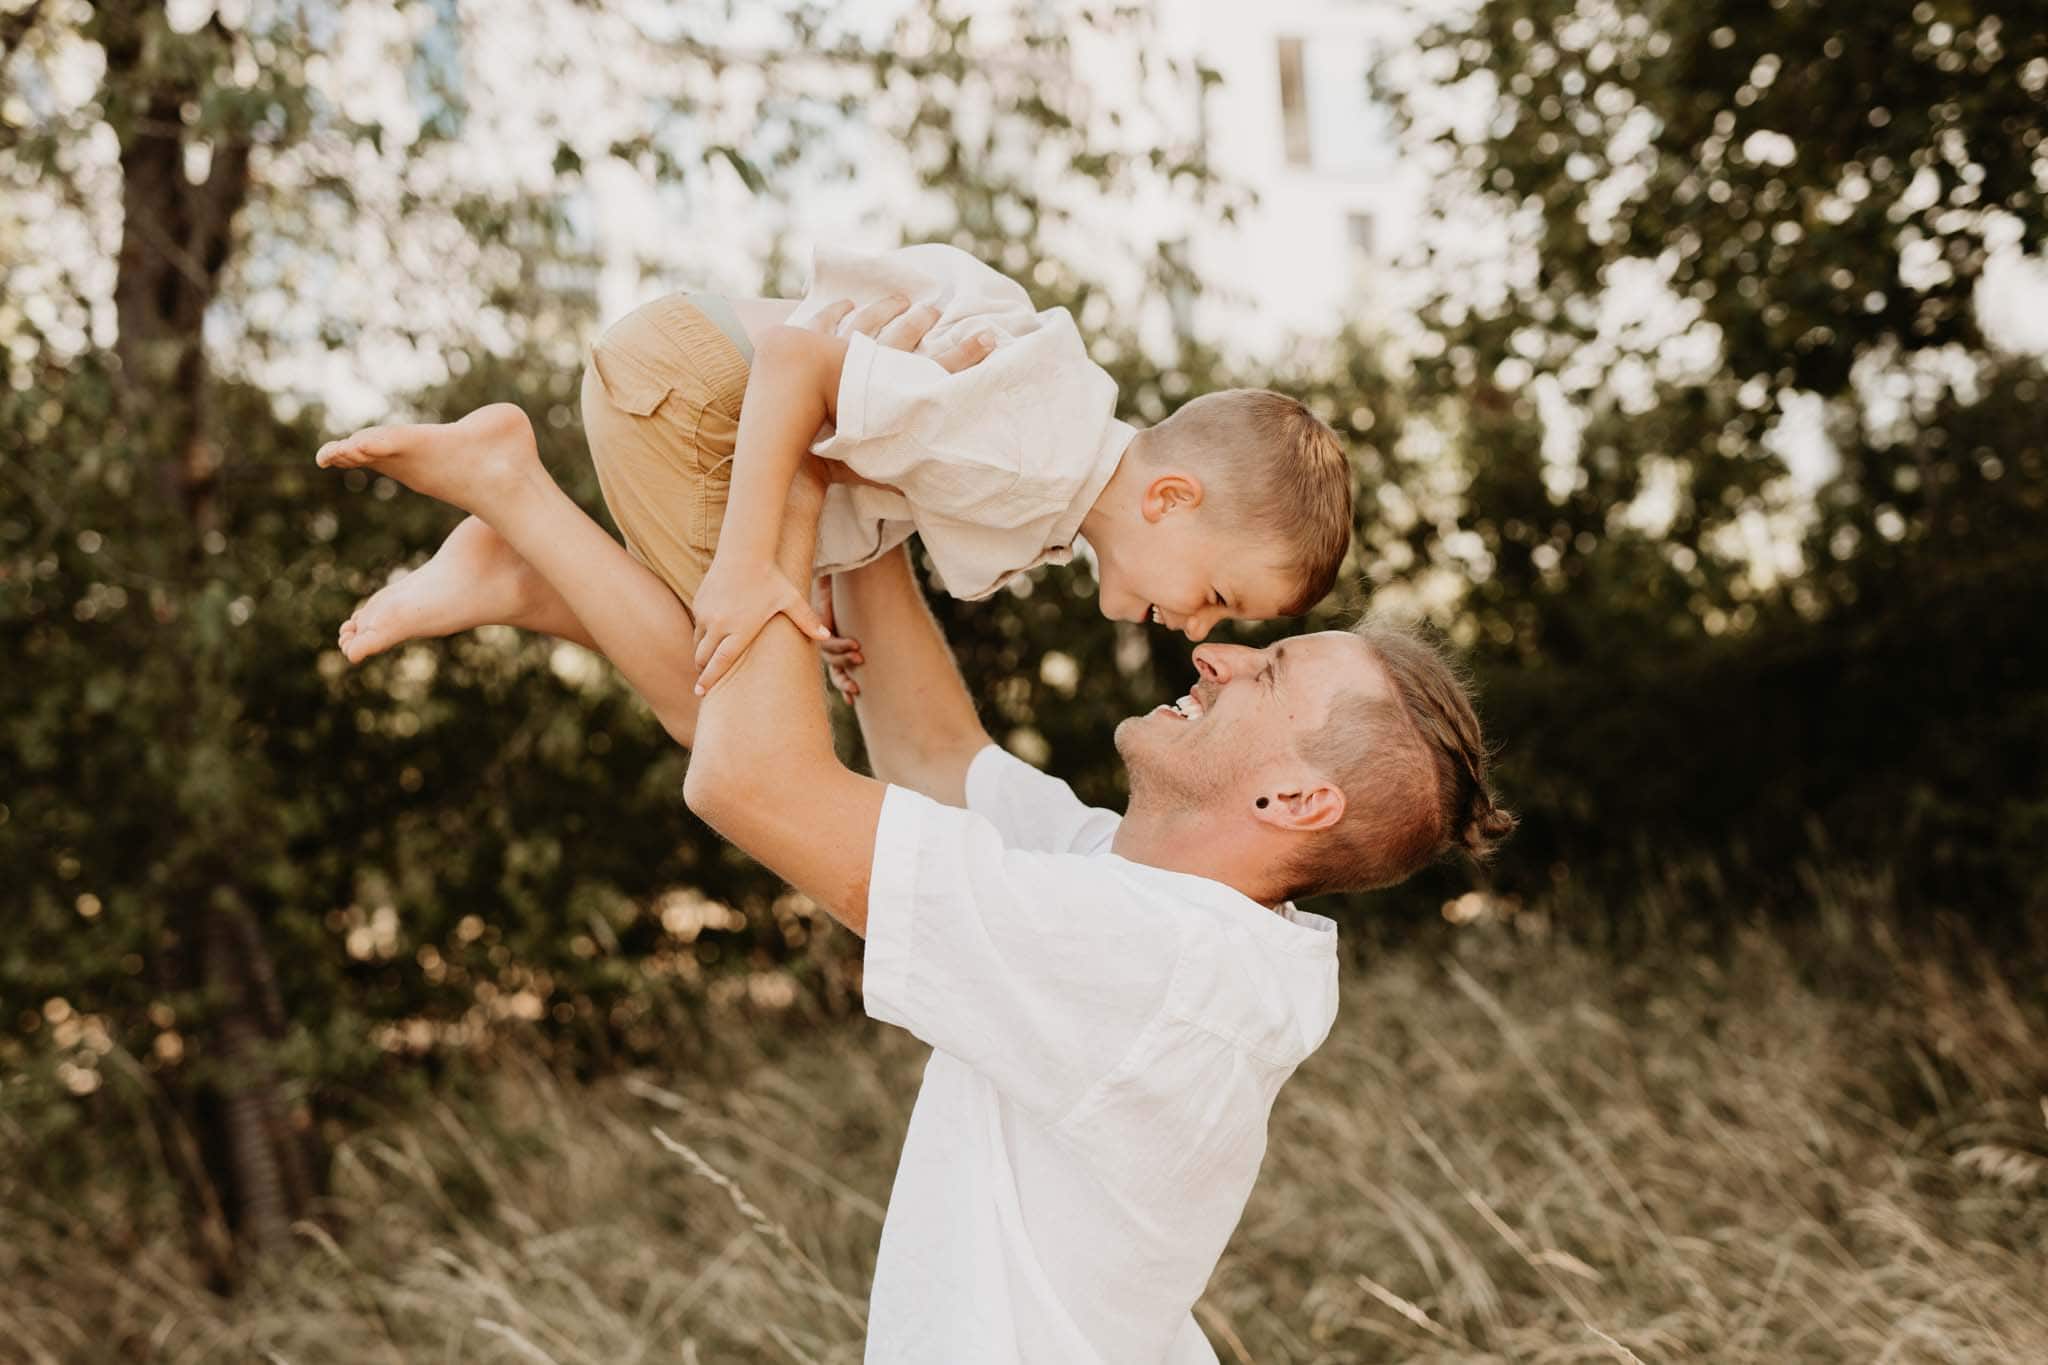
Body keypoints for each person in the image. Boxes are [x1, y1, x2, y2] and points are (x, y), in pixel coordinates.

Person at [311, 298, 1512, 1361]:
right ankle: (524, 529)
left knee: (752, 723)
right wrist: (857, 455)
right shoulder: (1151, 893)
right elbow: (929, 752)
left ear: (1292, 802)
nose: (1214, 649)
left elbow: (755, 785)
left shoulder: (1153, 971)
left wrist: (782, 481)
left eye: (1267, 668)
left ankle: (521, 519)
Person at [315, 243, 1354, 700]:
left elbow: (869, 467)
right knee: (709, 686)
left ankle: (518, 564)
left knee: (730, 660)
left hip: (694, 381)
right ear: (1168, 499)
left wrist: (806, 590)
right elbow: (803, 362)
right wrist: (747, 570)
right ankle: (509, 502)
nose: (1200, 628)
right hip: (698, 386)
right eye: (1217, 595)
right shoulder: (1033, 456)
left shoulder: (1054, 463)